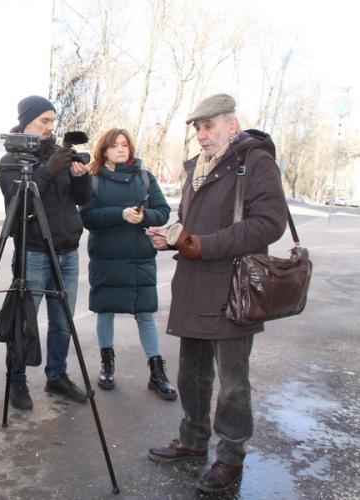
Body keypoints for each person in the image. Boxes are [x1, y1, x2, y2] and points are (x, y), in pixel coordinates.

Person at [146, 94, 287, 493]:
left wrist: (203, 244)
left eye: (209, 126)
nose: (202, 135)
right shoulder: (198, 168)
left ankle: (230, 458)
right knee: (191, 374)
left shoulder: (255, 161)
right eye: (197, 128)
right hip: (193, 285)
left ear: (232, 124)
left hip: (233, 288)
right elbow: (191, 223)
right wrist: (171, 237)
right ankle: (192, 441)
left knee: (233, 385)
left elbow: (268, 224)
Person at [0, 95, 93, 410]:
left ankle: (57, 376)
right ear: (27, 121)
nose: (51, 127)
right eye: (44, 121)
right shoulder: (12, 160)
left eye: (53, 121)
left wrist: (81, 177)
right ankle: (17, 379)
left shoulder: (58, 153)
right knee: (25, 321)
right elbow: (19, 205)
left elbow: (81, 198)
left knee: (62, 321)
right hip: (35, 250)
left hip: (67, 250)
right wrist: (48, 171)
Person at [79, 128, 176, 400]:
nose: (121, 149)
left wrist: (143, 216)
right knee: (105, 311)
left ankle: (157, 372)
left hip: (138, 258)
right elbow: (87, 217)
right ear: (104, 150)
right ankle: (107, 365)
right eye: (114, 145)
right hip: (106, 257)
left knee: (145, 313)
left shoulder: (145, 178)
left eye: (125, 145)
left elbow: (163, 212)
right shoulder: (94, 180)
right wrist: (119, 214)